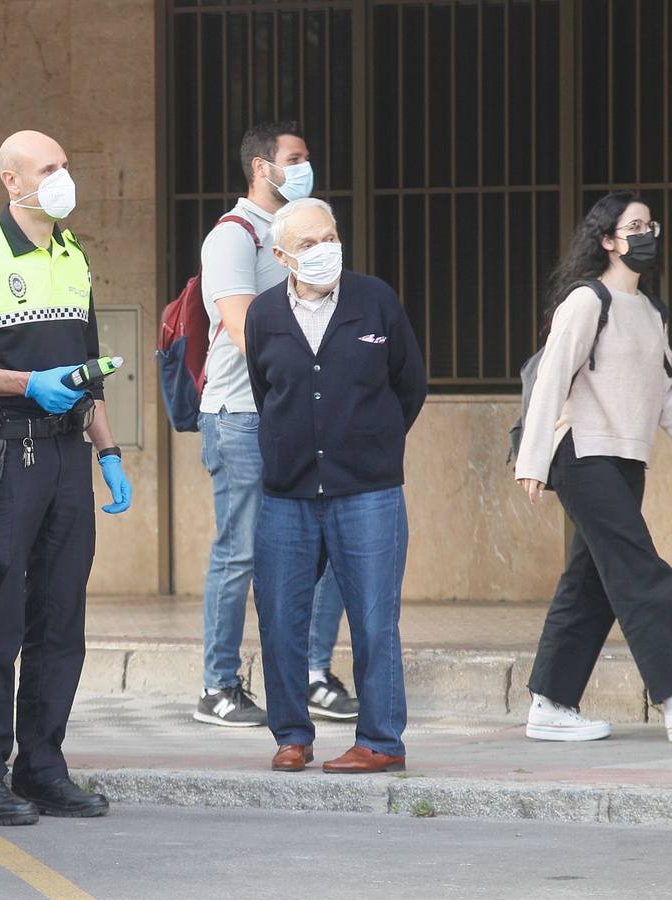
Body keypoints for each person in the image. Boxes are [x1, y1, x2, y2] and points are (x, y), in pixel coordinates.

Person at [0, 130, 132, 826]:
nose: (62, 176)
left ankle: (42, 768)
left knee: (60, 620)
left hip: (68, 457)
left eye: (65, 164)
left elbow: (89, 367)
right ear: (12, 181)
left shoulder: (72, 257)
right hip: (5, 456)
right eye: (48, 168)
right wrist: (21, 383)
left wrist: (107, 454)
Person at [244, 197, 427, 774]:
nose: (324, 250)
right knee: (279, 617)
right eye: (307, 244)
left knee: (375, 617)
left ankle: (381, 741)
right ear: (281, 256)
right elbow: (265, 393)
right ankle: (291, 736)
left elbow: (410, 385)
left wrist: (372, 444)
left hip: (367, 490)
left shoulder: (376, 300)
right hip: (287, 493)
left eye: (329, 238)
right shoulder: (263, 315)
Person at [193, 121, 358, 729]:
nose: (305, 166)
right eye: (294, 157)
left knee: (331, 545)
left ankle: (314, 674)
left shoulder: (308, 227)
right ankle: (219, 685)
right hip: (242, 417)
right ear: (263, 167)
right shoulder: (235, 237)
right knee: (240, 553)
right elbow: (241, 331)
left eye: (307, 157)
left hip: (303, 417)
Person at [515, 192, 672, 744]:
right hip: (580, 453)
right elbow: (552, 378)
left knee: (591, 583)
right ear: (607, 239)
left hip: (628, 460)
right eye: (635, 226)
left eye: (651, 224)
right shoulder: (588, 300)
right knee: (641, 572)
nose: (647, 233)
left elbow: (665, 395)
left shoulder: (654, 314)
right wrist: (533, 458)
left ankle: (551, 703)